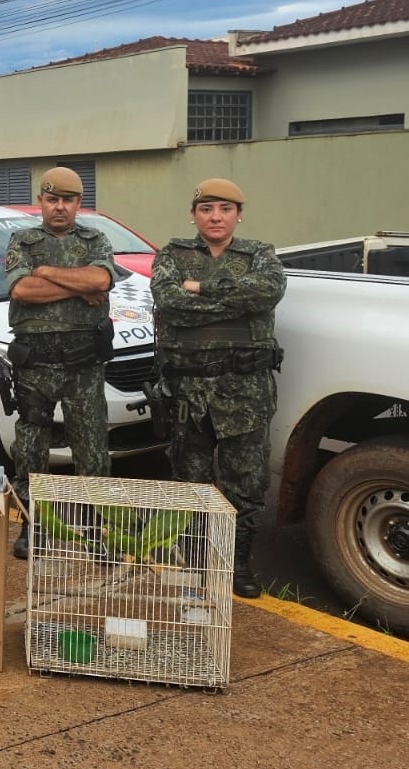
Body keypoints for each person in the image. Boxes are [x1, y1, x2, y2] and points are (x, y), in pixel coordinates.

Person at [150, 178, 285, 598]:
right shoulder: (173, 255)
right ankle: (196, 564)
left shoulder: (260, 255)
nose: (216, 217)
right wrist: (229, 298)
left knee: (246, 484)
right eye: (207, 209)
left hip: (245, 393)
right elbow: (169, 301)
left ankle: (238, 565)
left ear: (238, 215)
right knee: (192, 481)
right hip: (189, 393)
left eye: (225, 209)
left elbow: (267, 292)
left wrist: (202, 288)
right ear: (193, 214)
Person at [5, 167, 116, 559]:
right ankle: (33, 524)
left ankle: (94, 528)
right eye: (52, 199)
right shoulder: (23, 240)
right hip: (35, 364)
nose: (59, 207)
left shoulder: (95, 238)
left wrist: (46, 271)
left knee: (92, 449)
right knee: (31, 448)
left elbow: (101, 281)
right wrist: (77, 283)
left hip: (83, 366)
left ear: (77, 204)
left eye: (67, 200)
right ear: (42, 201)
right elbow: (20, 288)